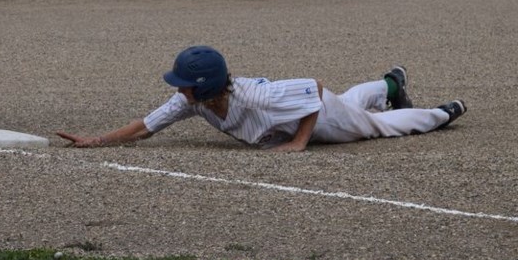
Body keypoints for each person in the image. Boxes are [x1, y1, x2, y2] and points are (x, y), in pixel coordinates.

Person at [57, 46, 466, 152]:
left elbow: (315, 89)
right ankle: (391, 84)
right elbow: (145, 127)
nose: (178, 88)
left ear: (203, 85)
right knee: (354, 102)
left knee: (373, 127)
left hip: (317, 118)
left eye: (184, 82)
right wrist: (97, 140)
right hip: (299, 114)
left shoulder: (256, 97)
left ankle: (440, 114)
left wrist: (300, 142)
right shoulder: (193, 102)